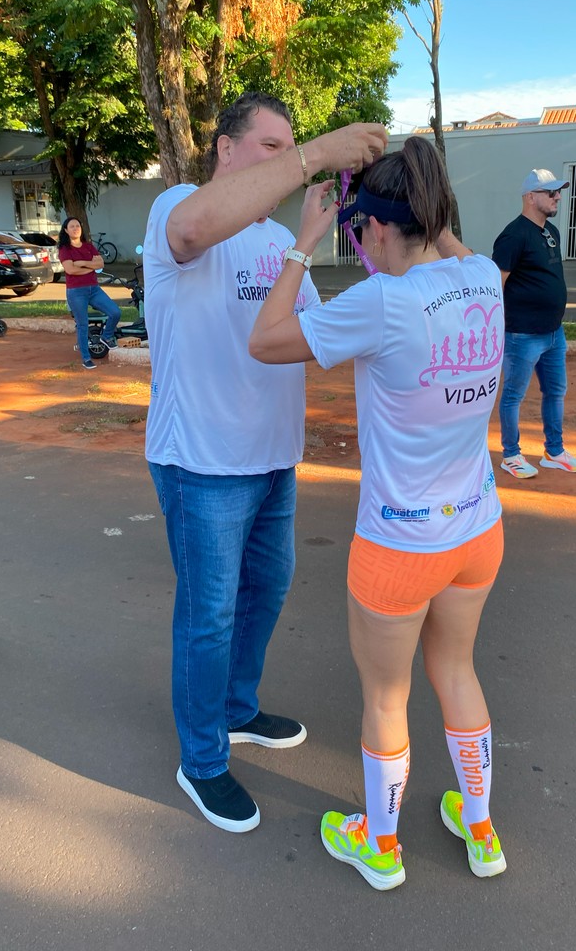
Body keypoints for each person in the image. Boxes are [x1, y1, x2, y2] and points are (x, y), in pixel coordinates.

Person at [250, 136, 507, 889]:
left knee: (385, 697)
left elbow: (265, 340)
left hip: (400, 543)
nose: (360, 245)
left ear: (380, 229)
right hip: (477, 530)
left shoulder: (383, 302)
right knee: (456, 671)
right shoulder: (483, 275)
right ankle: (481, 830)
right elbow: (449, 243)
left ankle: (382, 845)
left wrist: (302, 244)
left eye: (361, 232)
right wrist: (421, 190)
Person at [143, 91, 389, 833]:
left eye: (291, 146)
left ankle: (236, 709)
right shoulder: (178, 207)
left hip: (272, 457)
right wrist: (314, 154)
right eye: (271, 146)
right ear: (226, 148)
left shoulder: (275, 241)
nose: (287, 160)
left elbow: (307, 331)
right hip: (204, 461)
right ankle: (203, 761)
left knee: (268, 588)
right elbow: (193, 229)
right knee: (208, 615)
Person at [492, 169, 576, 479]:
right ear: (531, 197)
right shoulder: (513, 235)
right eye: (550, 192)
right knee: (513, 395)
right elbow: (498, 286)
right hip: (522, 334)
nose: (557, 196)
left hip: (553, 333)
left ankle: (555, 452)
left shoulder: (552, 232)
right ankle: (511, 455)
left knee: (555, 391)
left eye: (558, 191)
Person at [57, 217, 121, 370]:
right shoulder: (65, 249)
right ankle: (86, 358)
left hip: (94, 289)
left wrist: (83, 263)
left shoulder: (89, 246)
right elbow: (70, 270)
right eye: (71, 226)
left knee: (115, 312)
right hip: (76, 292)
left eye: (77, 226)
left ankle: (106, 337)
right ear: (66, 230)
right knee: (82, 324)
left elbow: (100, 264)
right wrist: (90, 267)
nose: (75, 228)